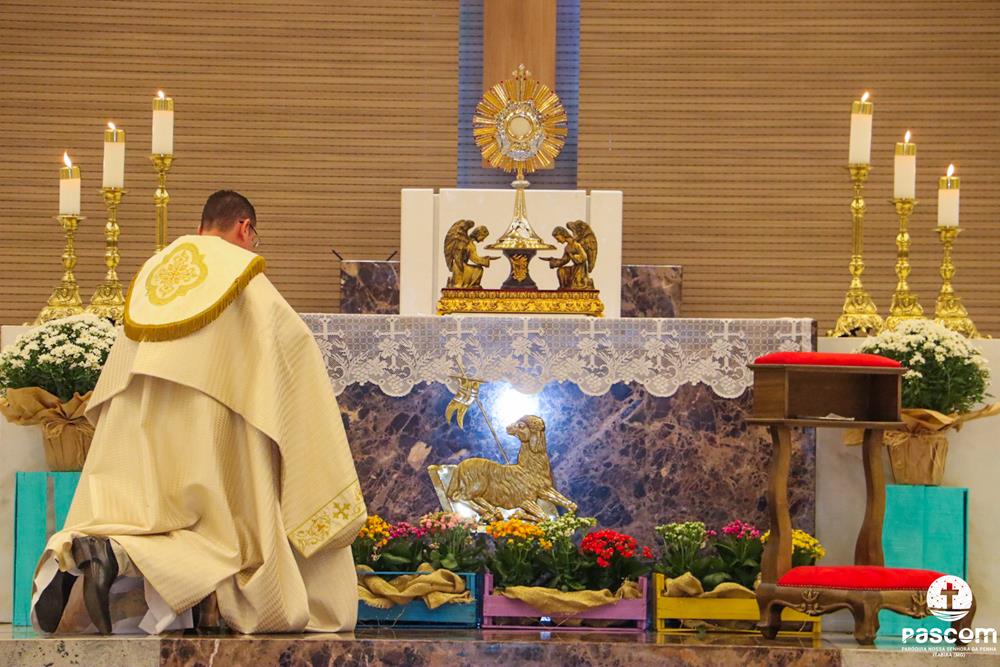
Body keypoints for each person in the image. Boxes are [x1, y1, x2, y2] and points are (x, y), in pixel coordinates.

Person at [31, 190, 366, 634]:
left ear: (201, 225)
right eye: (254, 236)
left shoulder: (154, 271)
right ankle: (143, 569)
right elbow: (293, 347)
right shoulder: (243, 272)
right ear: (244, 228)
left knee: (142, 519)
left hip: (136, 422)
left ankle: (97, 551)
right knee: (223, 538)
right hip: (207, 426)